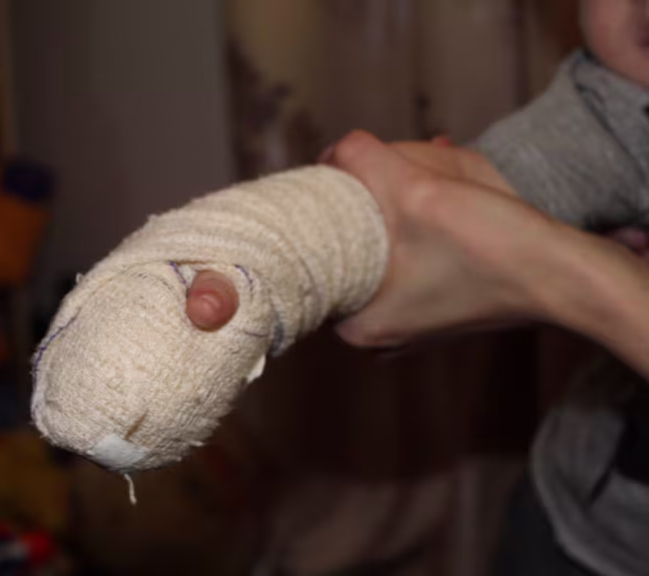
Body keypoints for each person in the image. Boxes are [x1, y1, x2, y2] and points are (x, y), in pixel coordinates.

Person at [184, 1, 649, 574]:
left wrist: (557, 271)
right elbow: (513, 172)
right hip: (574, 522)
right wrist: (361, 213)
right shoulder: (621, 100)